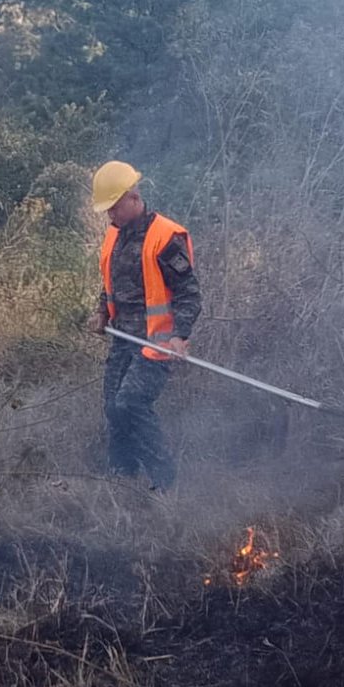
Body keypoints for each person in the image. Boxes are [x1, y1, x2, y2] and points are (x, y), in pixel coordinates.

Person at [88, 162, 201, 492]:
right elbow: (109, 283)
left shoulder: (165, 238)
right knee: (113, 406)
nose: (110, 216)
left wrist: (180, 336)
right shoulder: (115, 236)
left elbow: (189, 295)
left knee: (131, 403)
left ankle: (165, 482)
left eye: (114, 208)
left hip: (157, 344)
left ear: (133, 198)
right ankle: (122, 477)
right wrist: (101, 314)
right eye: (107, 210)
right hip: (122, 338)